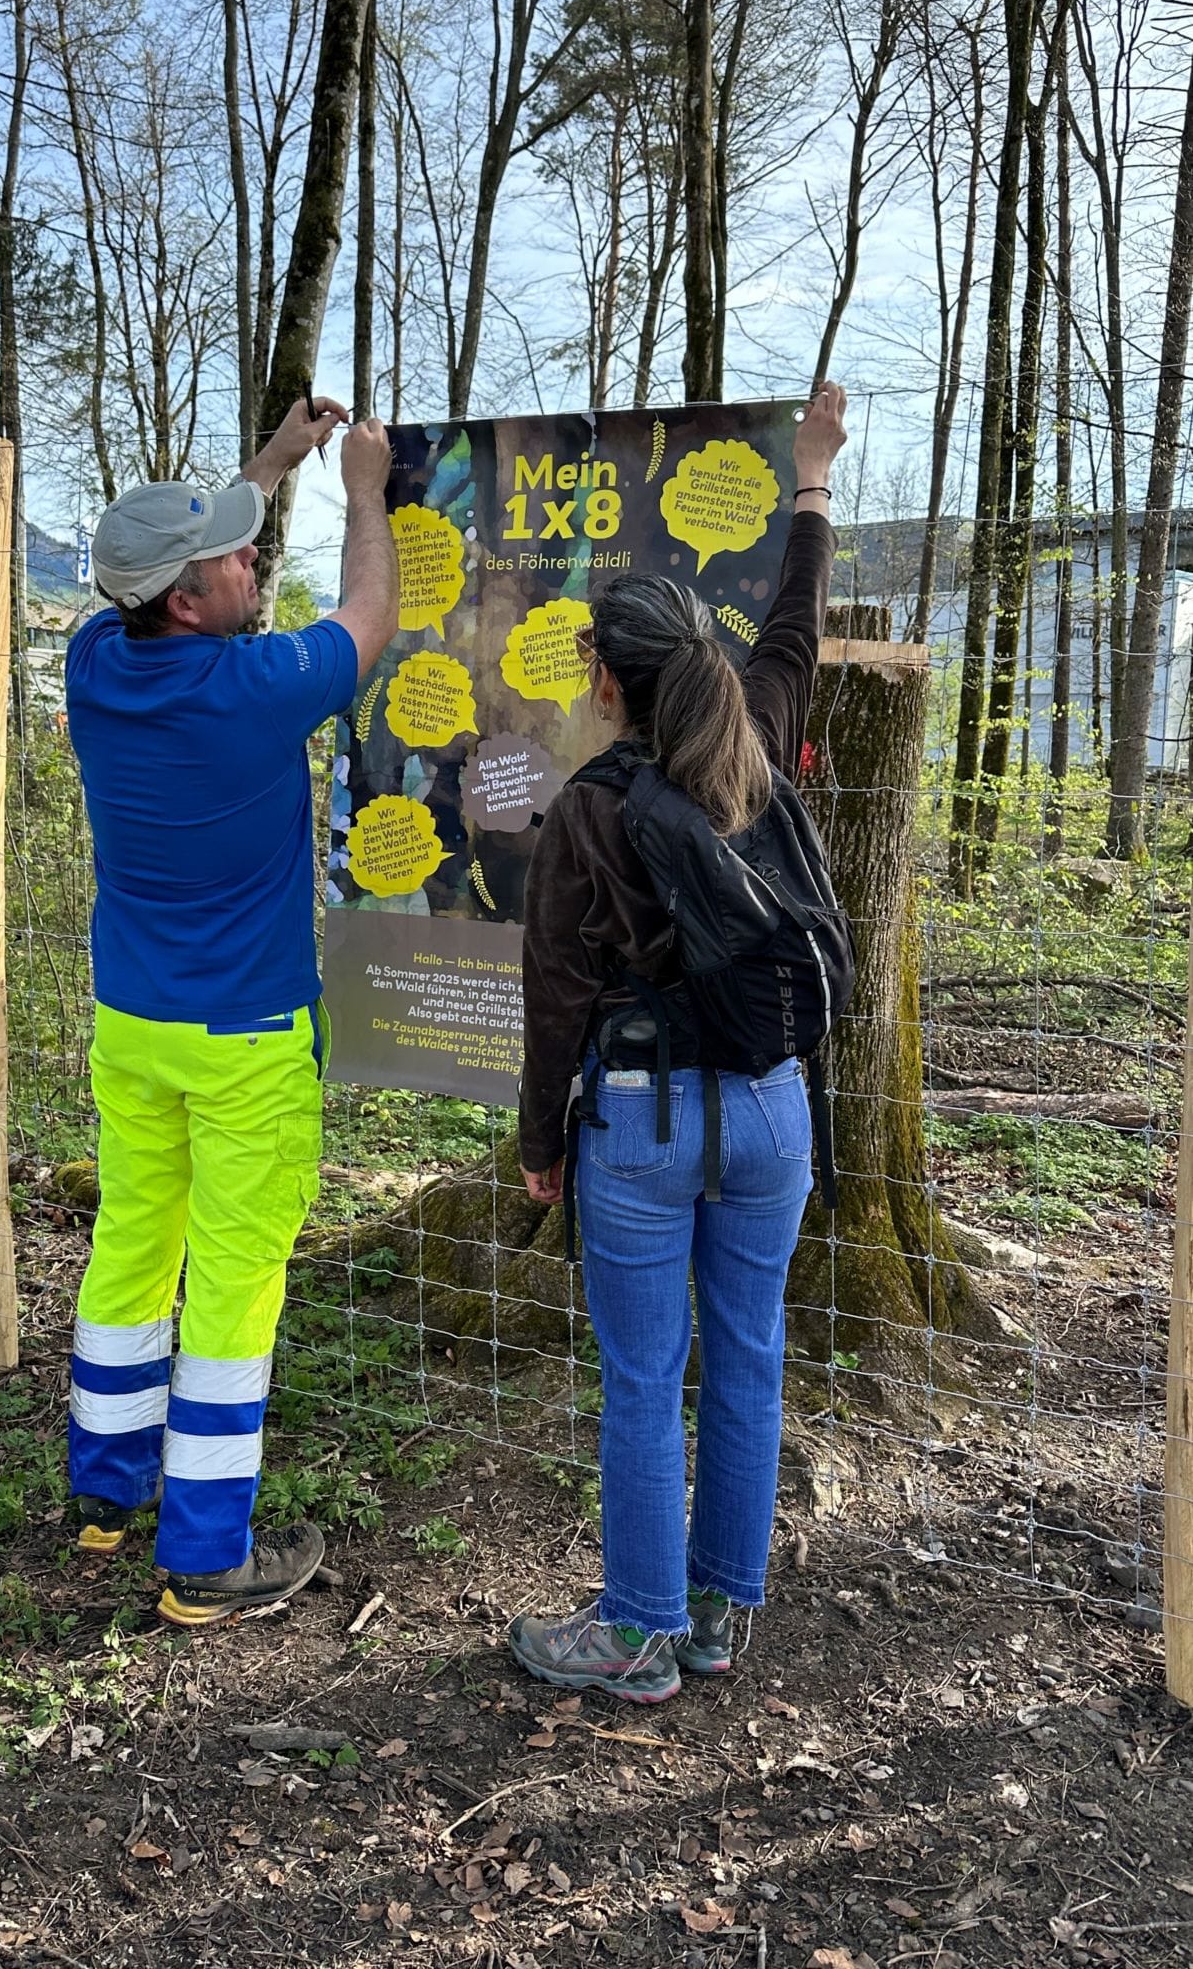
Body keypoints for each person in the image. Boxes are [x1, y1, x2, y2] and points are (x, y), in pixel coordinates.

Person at [508, 382, 849, 1703]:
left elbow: (552, 995)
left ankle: (637, 1634)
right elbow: (797, 620)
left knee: (645, 1375)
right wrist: (809, 476)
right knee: (748, 1356)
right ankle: (715, 1619)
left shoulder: (587, 811)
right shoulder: (758, 736)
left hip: (641, 1122)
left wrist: (544, 1149)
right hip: (772, 1110)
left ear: (604, 682)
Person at [64, 398, 399, 1629]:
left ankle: (106, 1490)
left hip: (134, 1023)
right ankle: (206, 1553)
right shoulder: (256, 688)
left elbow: (196, 552)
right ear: (191, 602)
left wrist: (271, 467)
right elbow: (370, 621)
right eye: (234, 557)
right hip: (250, 1038)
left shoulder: (97, 664)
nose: (253, 556)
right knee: (236, 1284)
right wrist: (364, 488)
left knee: (134, 1242)